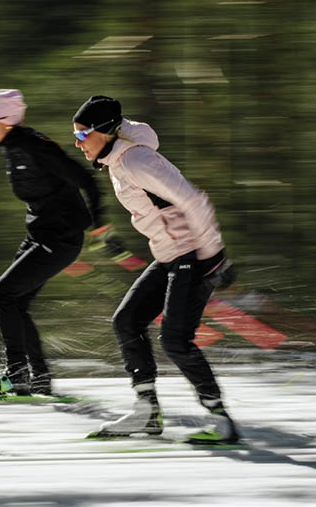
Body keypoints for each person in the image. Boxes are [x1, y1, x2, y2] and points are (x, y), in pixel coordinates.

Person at [72, 95, 238, 443]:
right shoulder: (120, 159)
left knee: (176, 340)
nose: (78, 143)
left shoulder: (136, 159)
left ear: (105, 131)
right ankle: (146, 411)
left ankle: (219, 417)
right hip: (170, 256)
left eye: (84, 135)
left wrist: (215, 255)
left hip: (193, 255)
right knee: (126, 321)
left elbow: (193, 200)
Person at [0, 88, 105, 397]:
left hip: (60, 237)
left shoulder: (34, 146)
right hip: (42, 235)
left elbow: (85, 178)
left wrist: (100, 224)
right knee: (16, 302)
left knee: (3, 294)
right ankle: (38, 377)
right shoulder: (11, 145)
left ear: (4, 121)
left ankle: (16, 374)